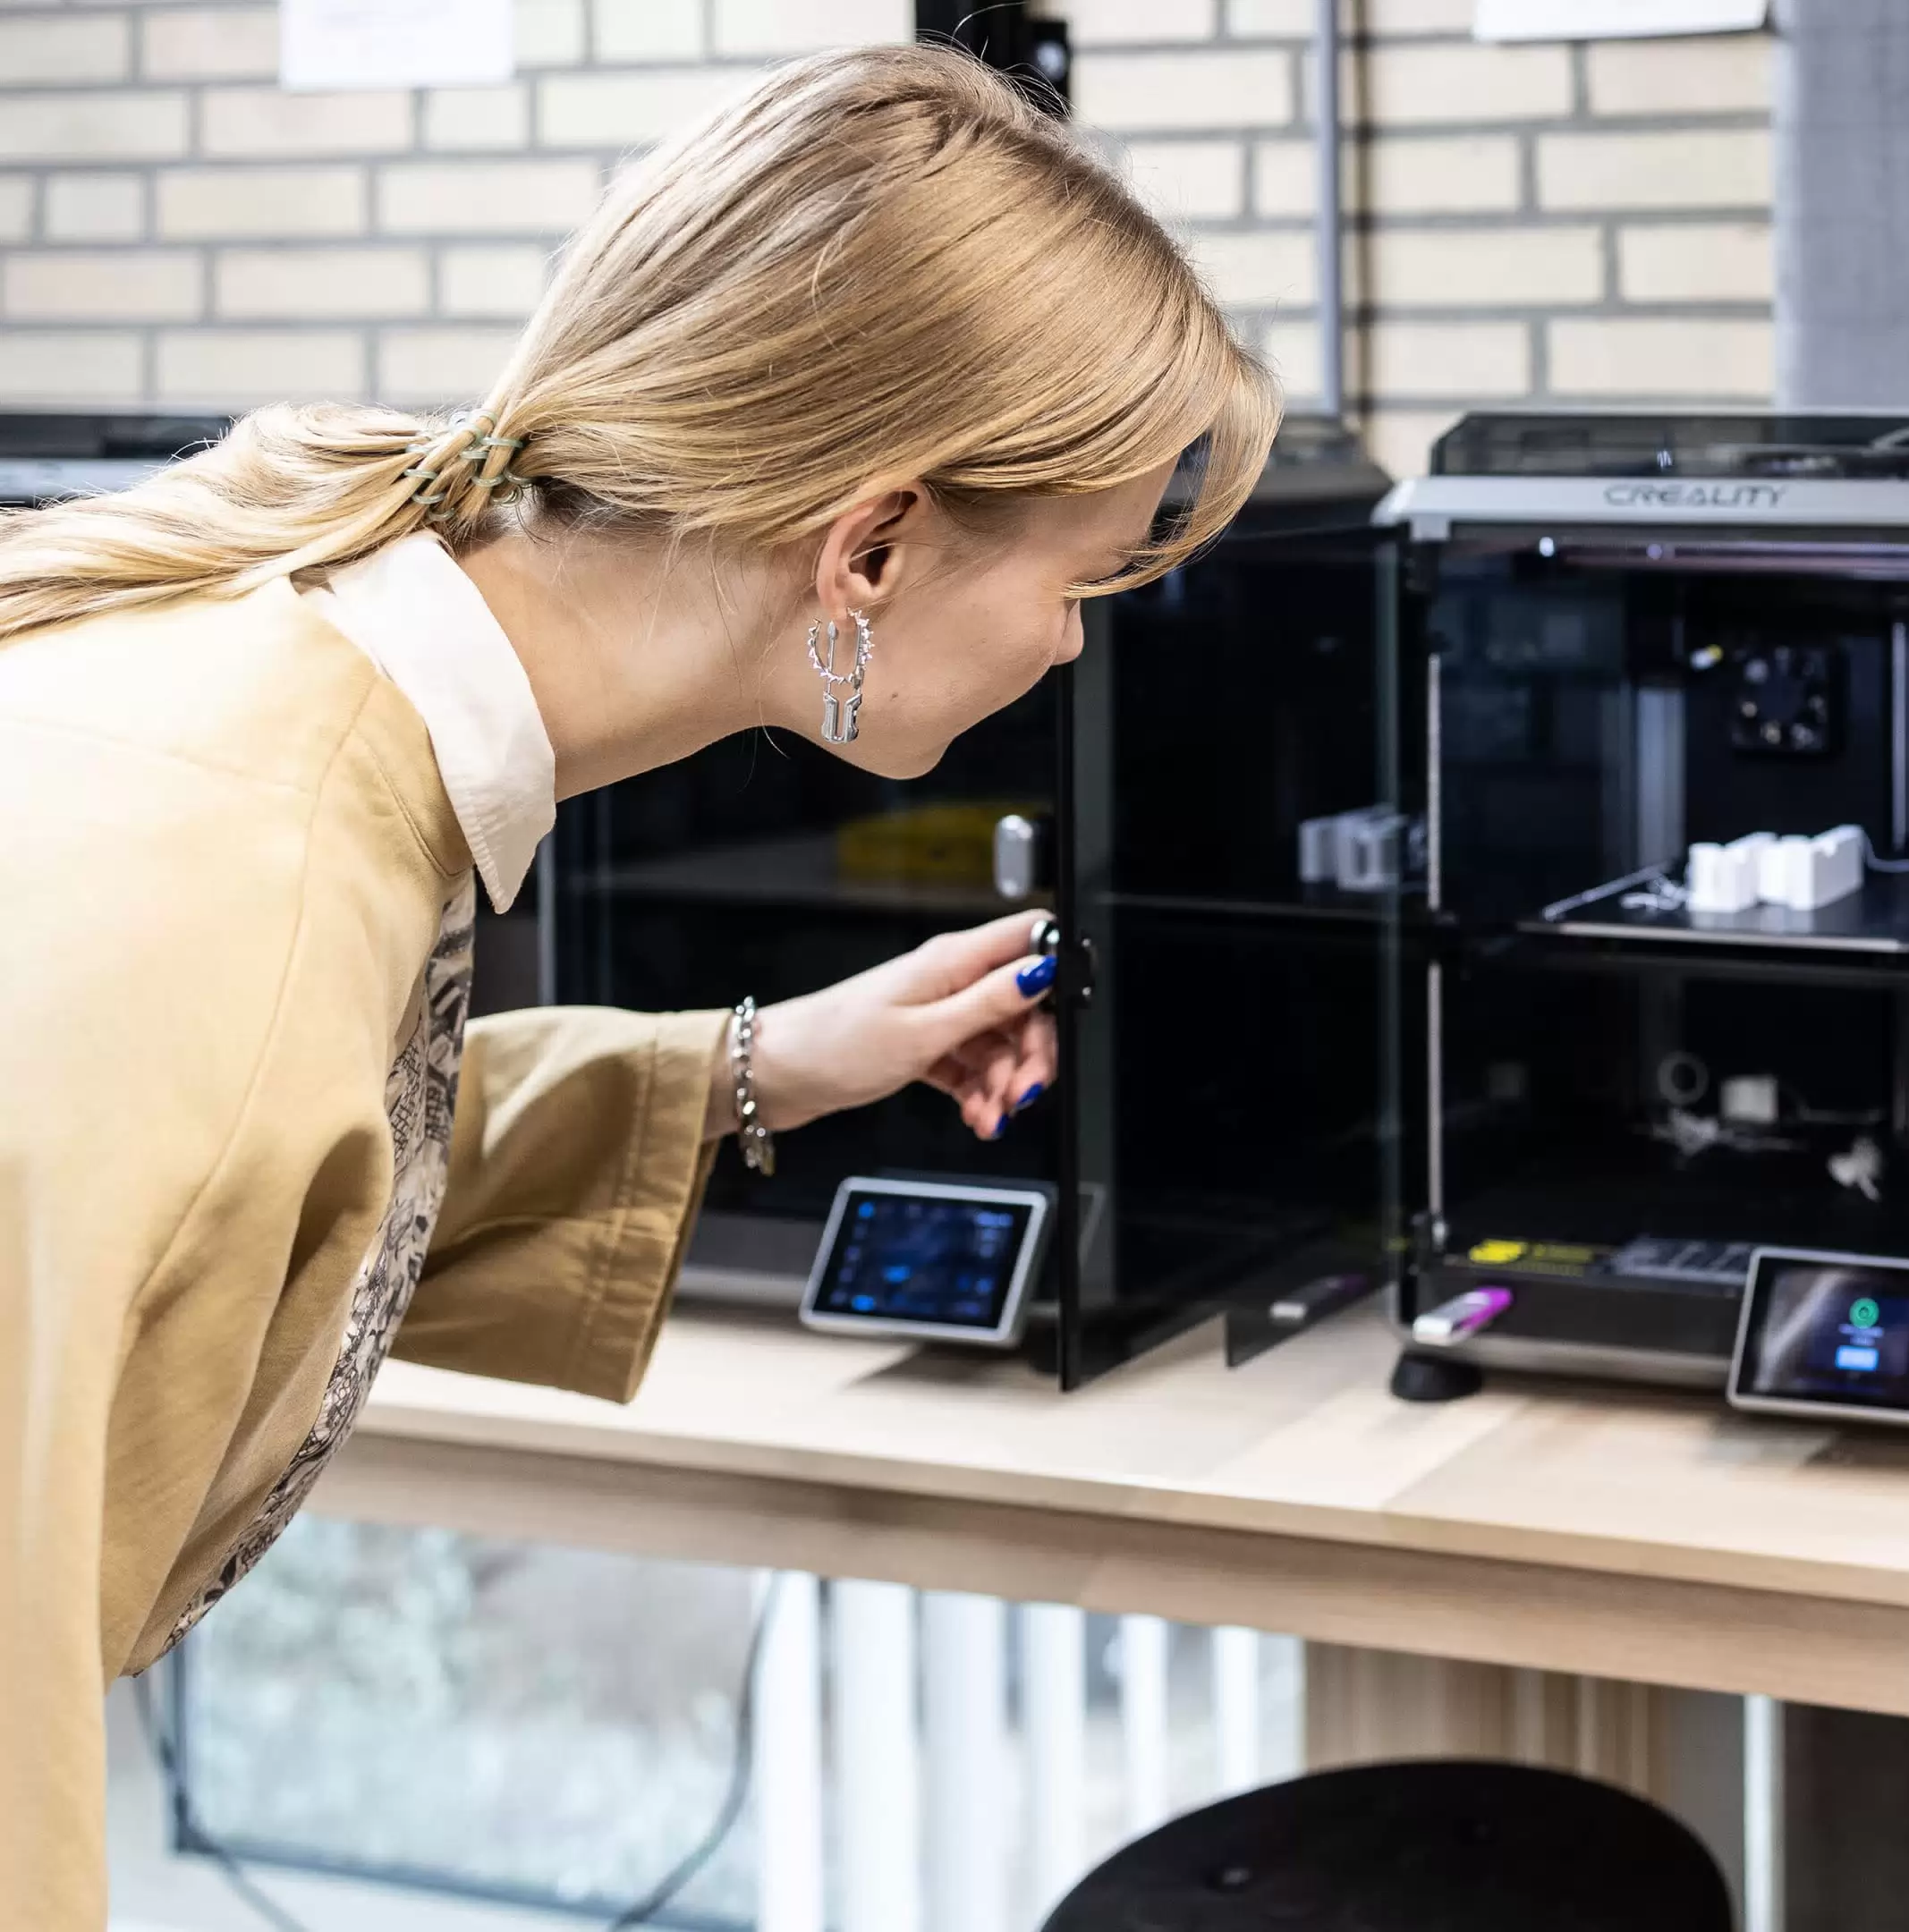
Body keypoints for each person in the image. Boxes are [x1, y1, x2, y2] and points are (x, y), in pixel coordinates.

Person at [0, 45, 1277, 1927]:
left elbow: (285, 1160)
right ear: (874, 543)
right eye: (1084, 581)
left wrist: (764, 1067)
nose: (1075, 646)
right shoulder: (232, 885)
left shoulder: (294, 686)